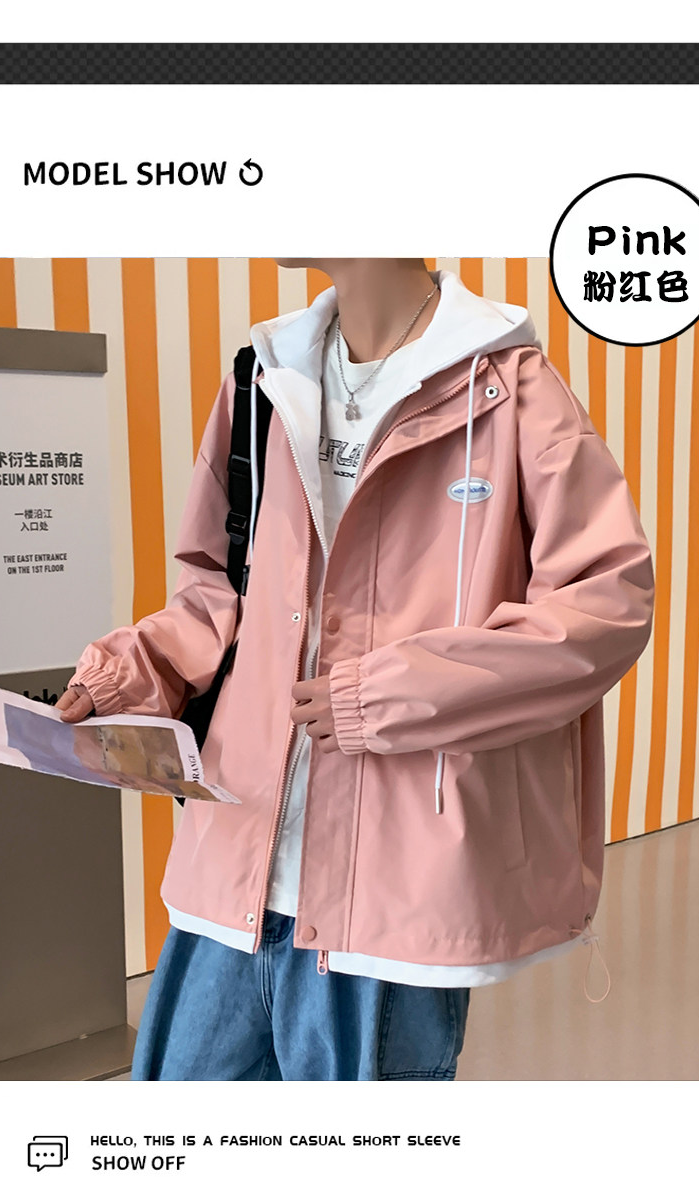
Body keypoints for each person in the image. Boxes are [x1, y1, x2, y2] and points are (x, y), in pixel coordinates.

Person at [57, 258, 655, 1080]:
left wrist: (389, 695)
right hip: (233, 861)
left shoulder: (510, 388)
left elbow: (604, 606)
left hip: (396, 893)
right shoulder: (262, 379)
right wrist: (129, 672)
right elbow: (216, 593)